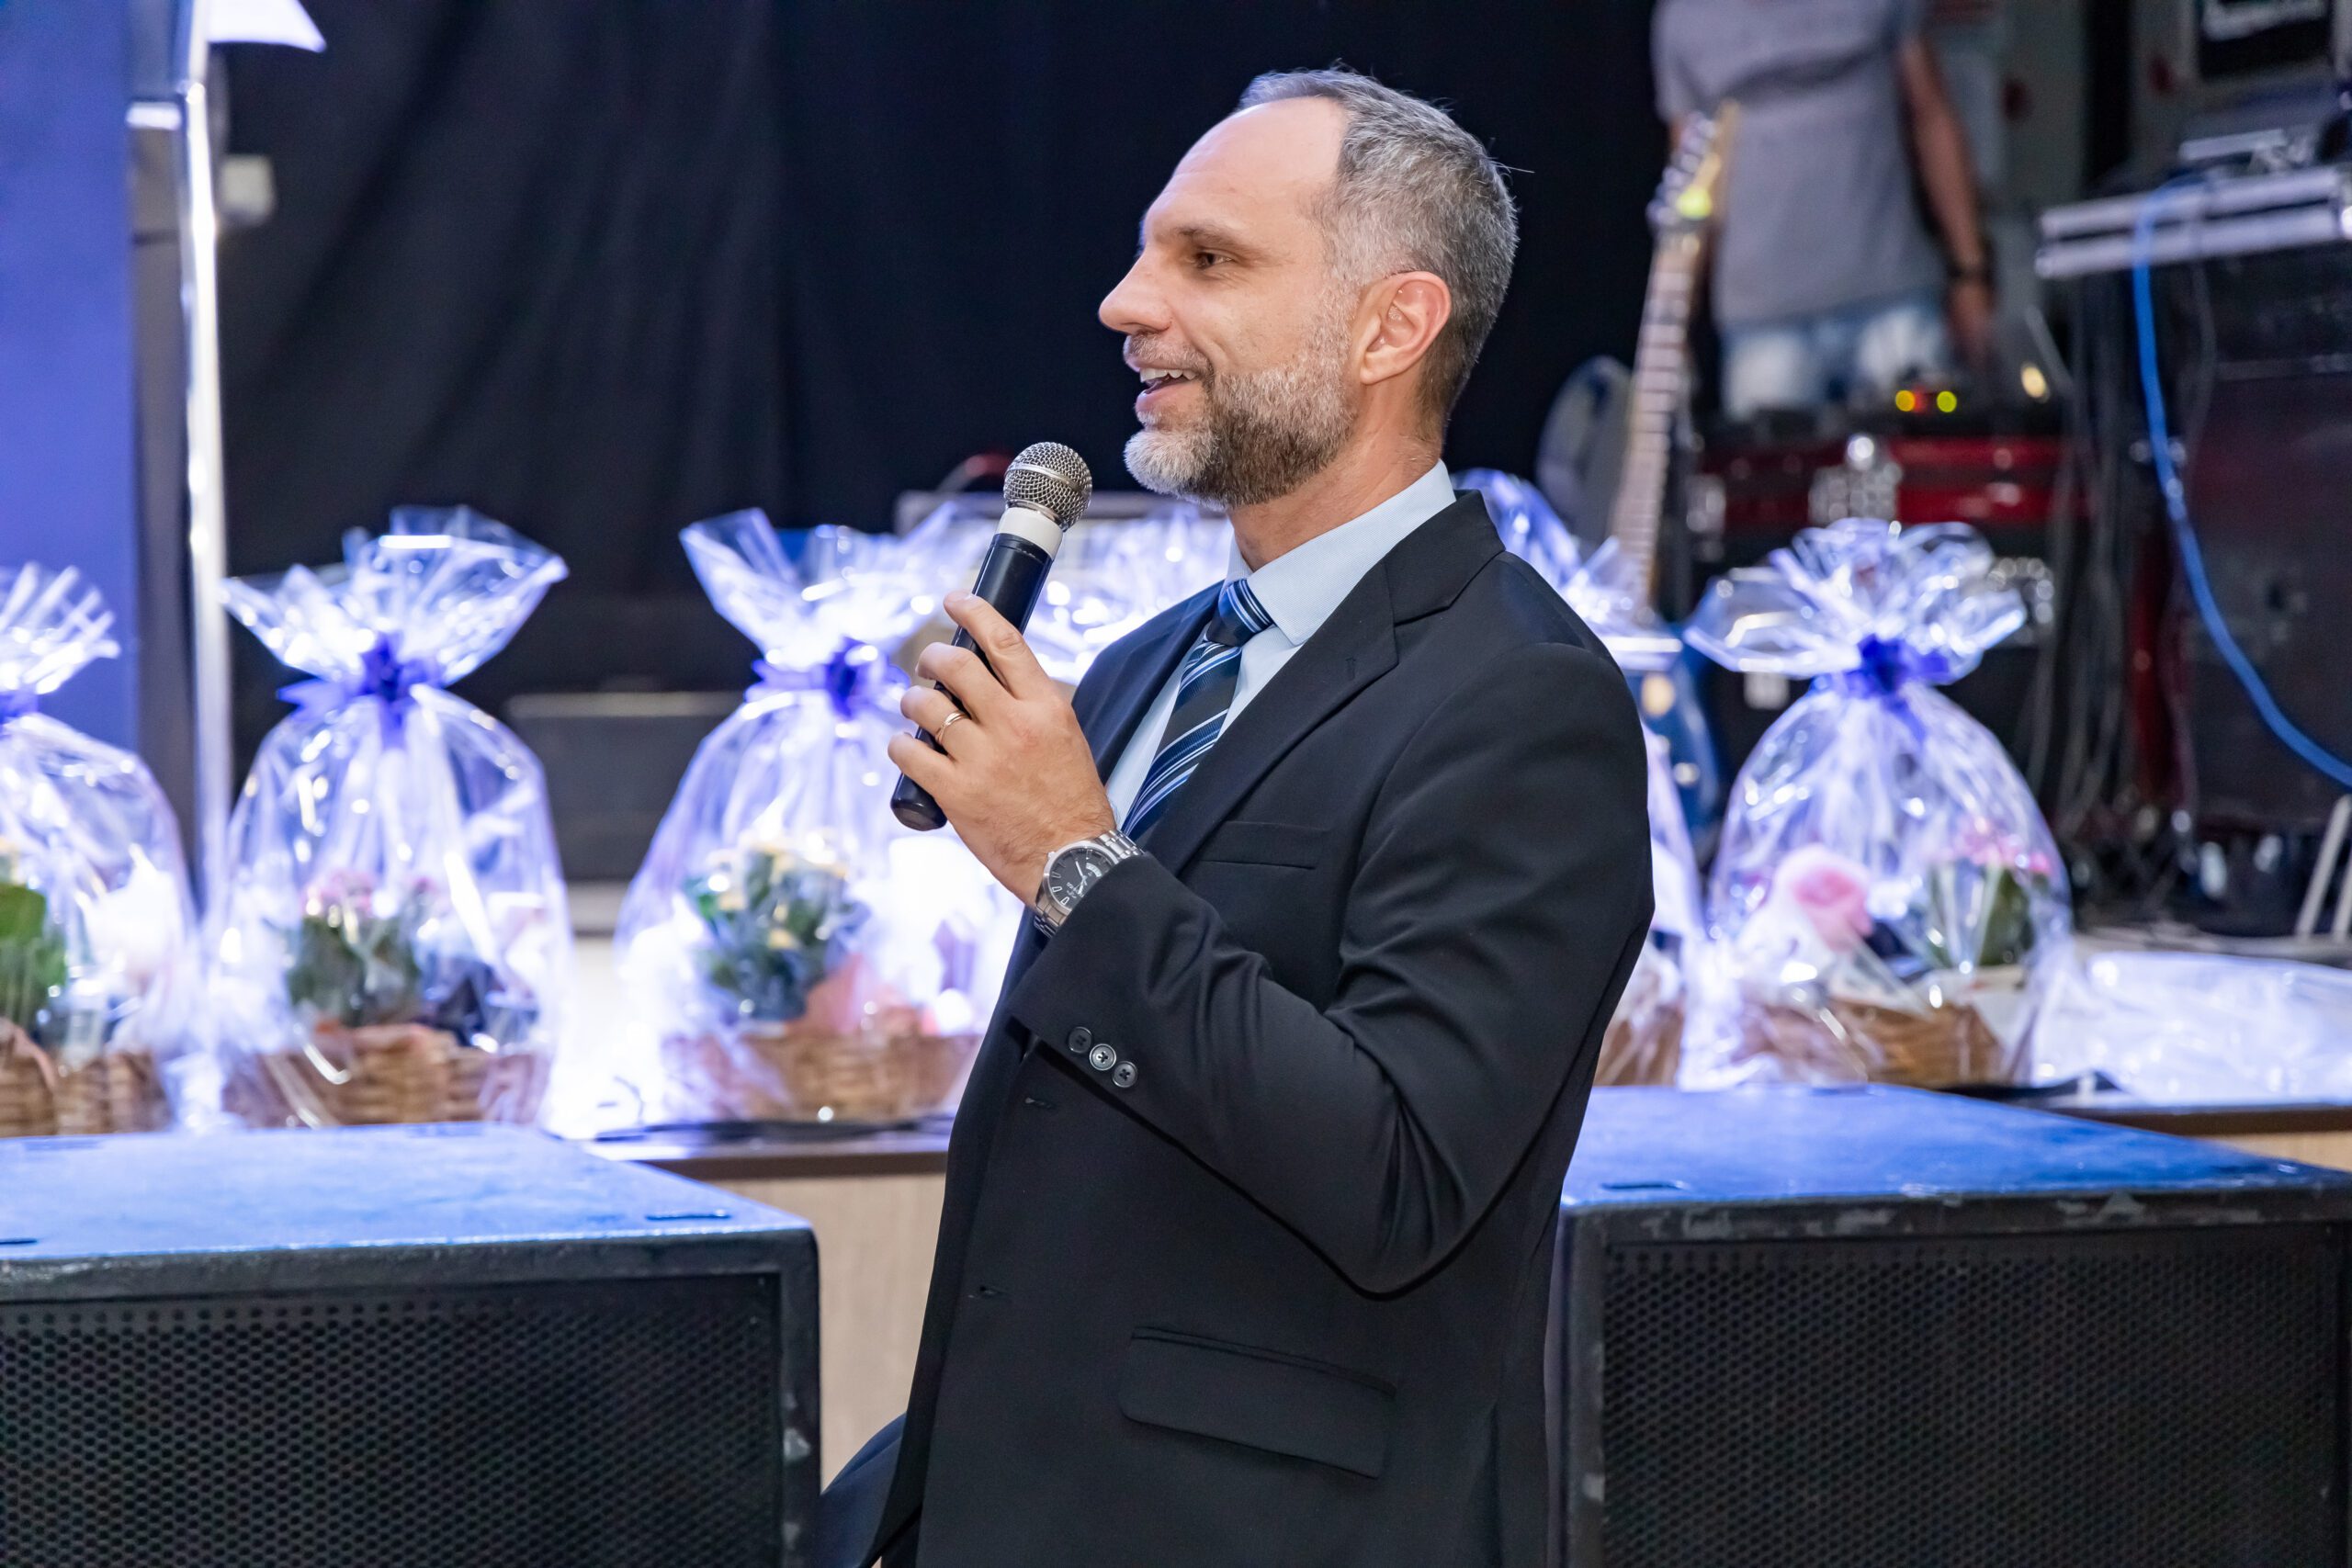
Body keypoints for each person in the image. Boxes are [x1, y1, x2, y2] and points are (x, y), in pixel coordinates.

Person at [820, 67, 1652, 1568]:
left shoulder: (1526, 697)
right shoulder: (1146, 666)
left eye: (1208, 259)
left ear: (1390, 327)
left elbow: (1396, 1174)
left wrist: (1074, 858)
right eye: (1149, 252)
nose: (1124, 303)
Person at [1652, 0, 1994, 417]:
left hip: (1894, 297)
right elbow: (1692, 180)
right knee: (1770, 462)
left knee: (1927, 457)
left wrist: (1970, 273)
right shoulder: (1688, 16)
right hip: (1764, 319)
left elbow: (1932, 117)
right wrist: (1673, 328)